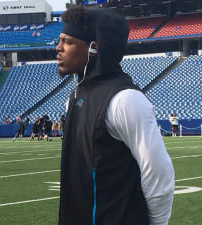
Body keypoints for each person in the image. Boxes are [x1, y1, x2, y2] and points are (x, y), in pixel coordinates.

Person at [56, 5, 174, 225]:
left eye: (68, 42)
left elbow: (158, 172)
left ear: (94, 48)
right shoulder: (76, 95)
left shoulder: (126, 100)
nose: (58, 48)